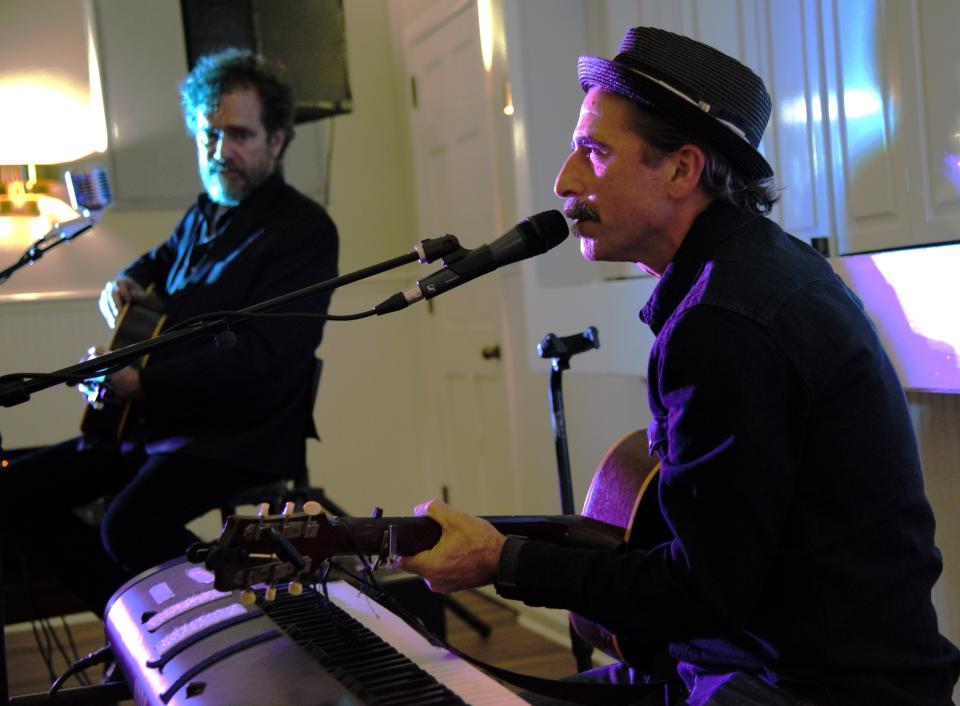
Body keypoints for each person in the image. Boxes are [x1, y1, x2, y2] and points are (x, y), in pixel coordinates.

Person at [398, 27, 960, 705]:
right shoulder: (747, 273)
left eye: (595, 151)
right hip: (749, 657)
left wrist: (500, 560)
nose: (564, 180)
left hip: (808, 686)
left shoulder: (723, 319)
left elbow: (699, 590)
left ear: (681, 170)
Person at [1, 48, 339, 616]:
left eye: (238, 135)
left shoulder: (303, 229)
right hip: (158, 419)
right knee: (12, 494)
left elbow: (263, 357)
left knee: (129, 526)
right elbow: (155, 262)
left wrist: (143, 383)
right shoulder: (205, 211)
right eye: (208, 136)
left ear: (277, 141)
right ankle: (137, 626)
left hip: (240, 434)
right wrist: (125, 281)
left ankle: (238, 626)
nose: (219, 152)